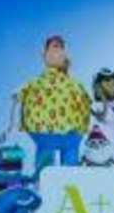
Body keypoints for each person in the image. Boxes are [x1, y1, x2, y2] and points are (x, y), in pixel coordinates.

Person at [11, 34, 92, 168]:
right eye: (54, 46)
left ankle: (68, 182)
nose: (58, 51)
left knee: (70, 161)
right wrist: (10, 125)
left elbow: (85, 99)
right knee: (45, 162)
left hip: (71, 131)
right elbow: (20, 93)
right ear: (44, 53)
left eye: (61, 47)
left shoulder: (73, 84)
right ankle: (44, 181)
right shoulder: (37, 82)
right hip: (43, 129)